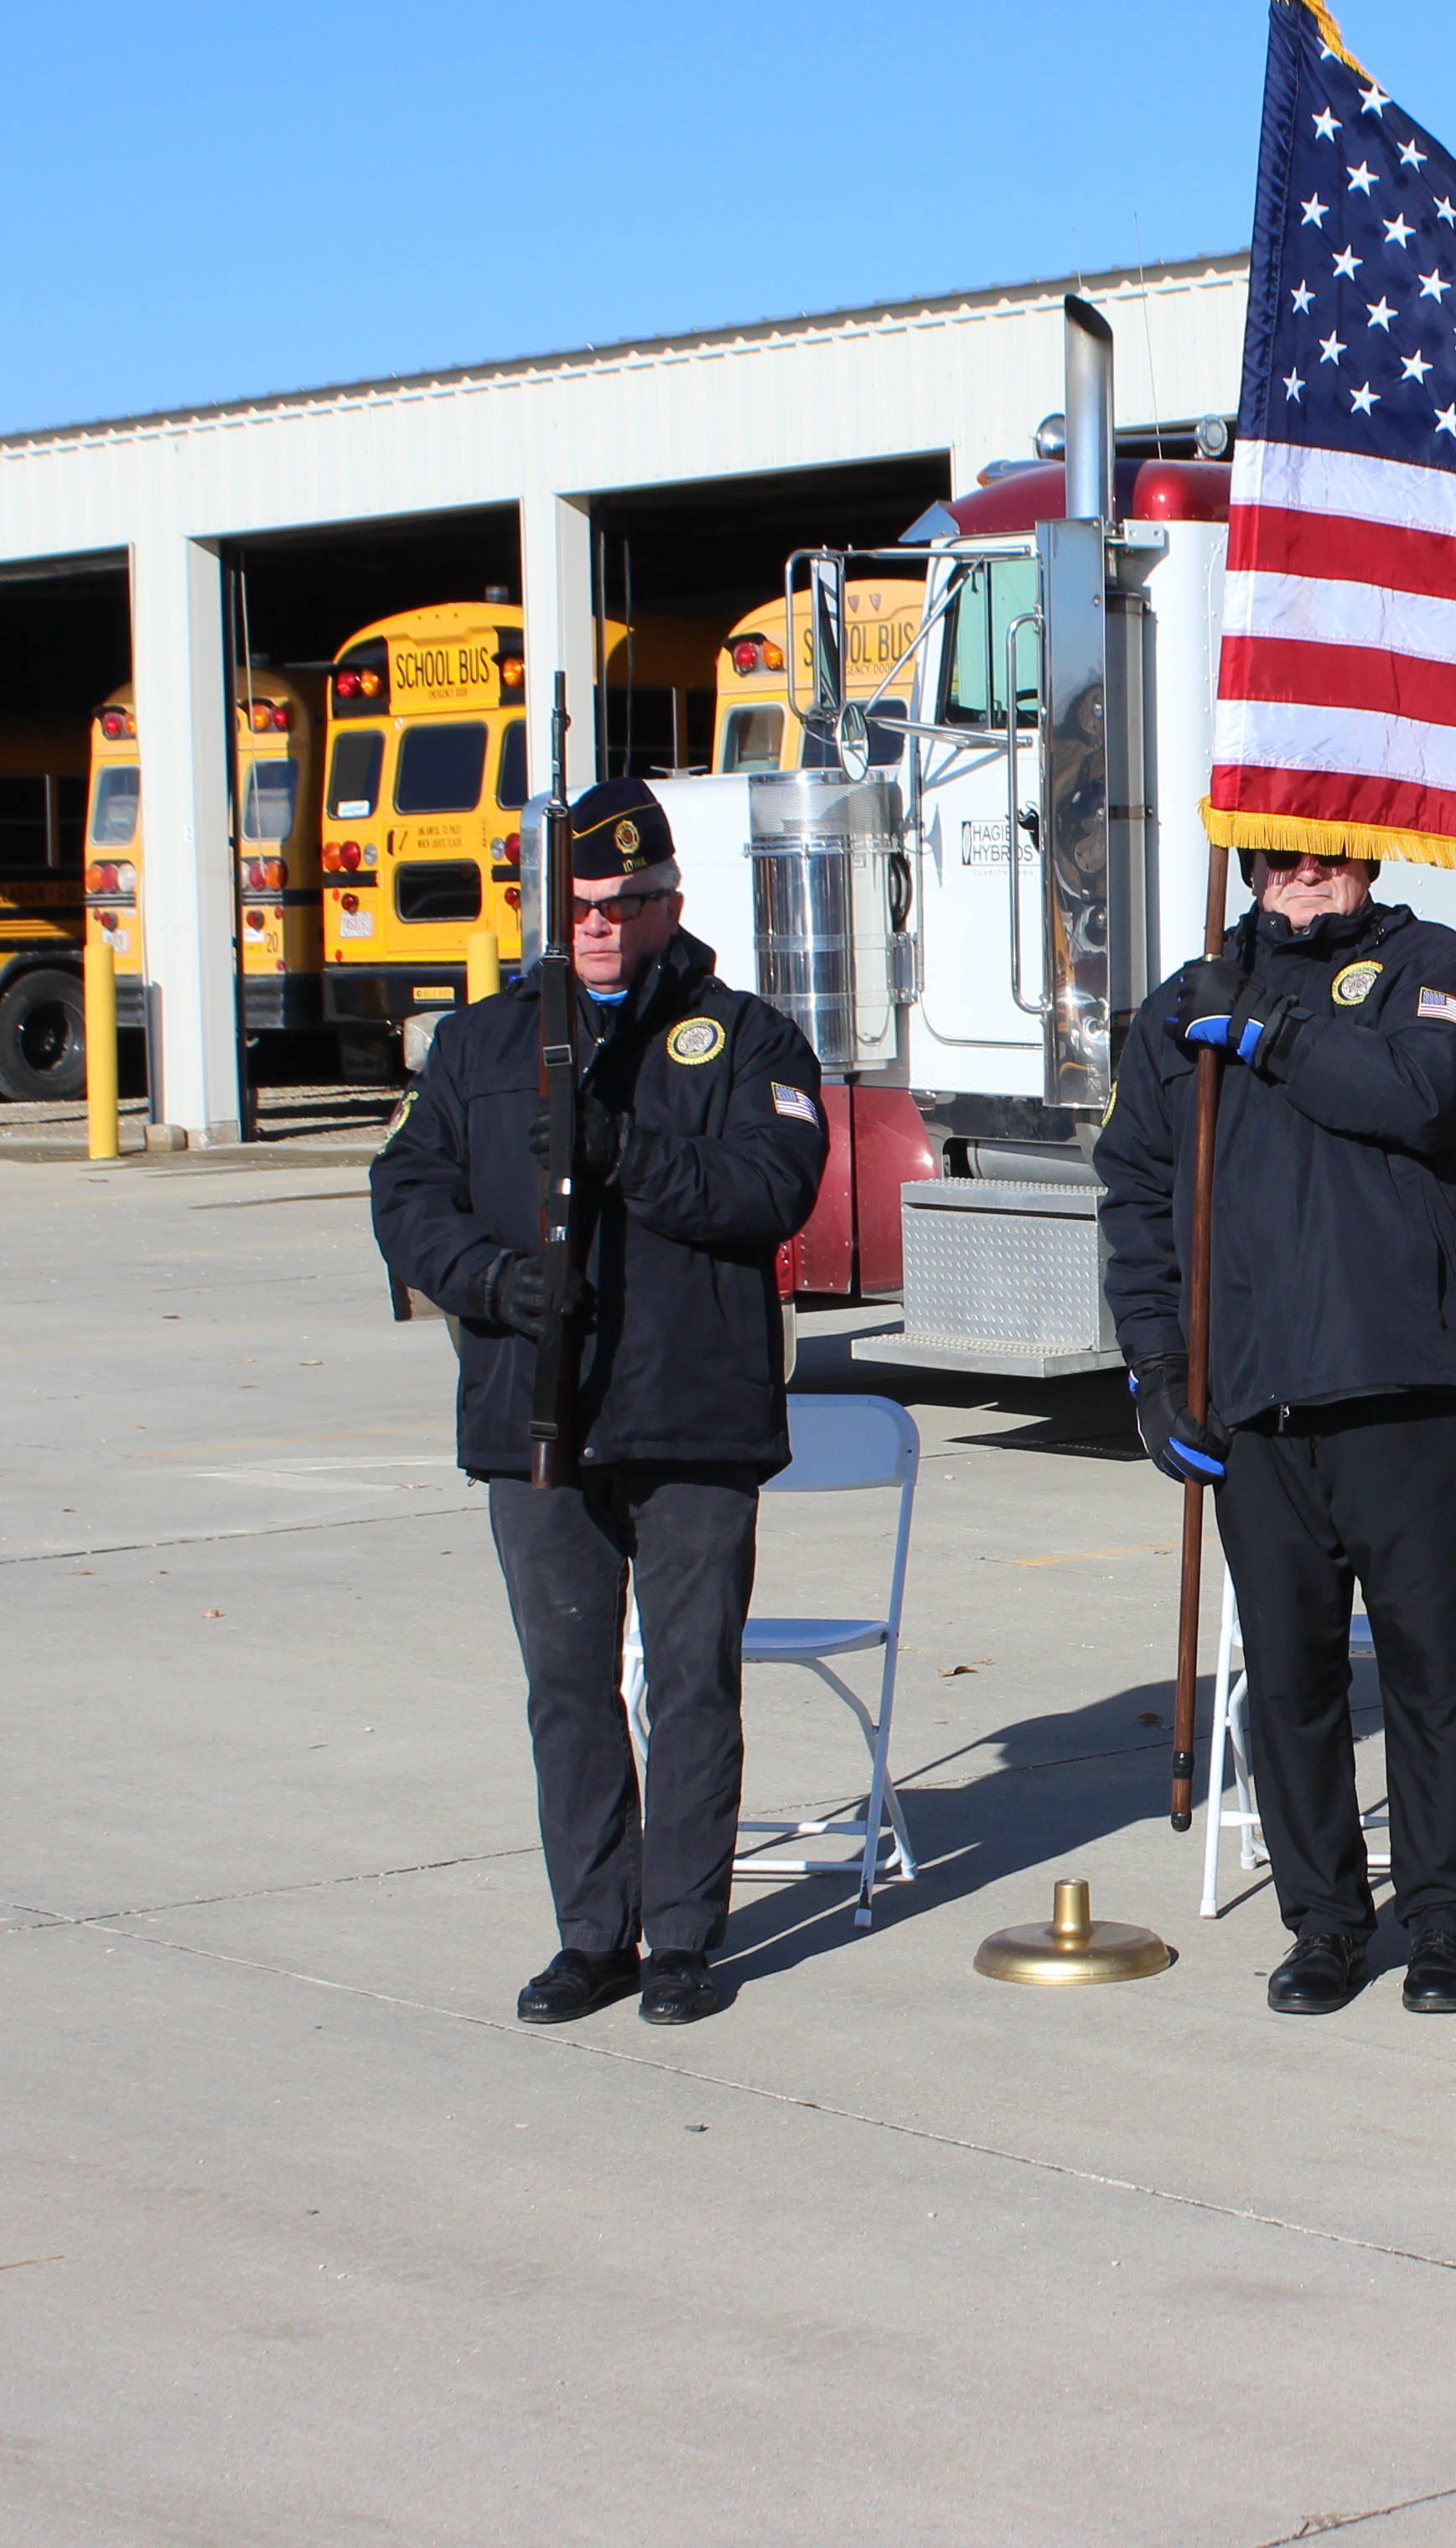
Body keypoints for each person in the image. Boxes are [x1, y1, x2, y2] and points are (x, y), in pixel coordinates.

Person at [370, 778, 829, 2028]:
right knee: (566, 1687)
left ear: (670, 903)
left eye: (626, 904)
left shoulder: (748, 1039)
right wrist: (496, 1284)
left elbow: (770, 1189)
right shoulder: (480, 1042)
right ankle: (593, 1934)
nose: (600, 927)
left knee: (688, 1682)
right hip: (538, 1412)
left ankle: (682, 1936)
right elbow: (406, 1195)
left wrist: (627, 1152)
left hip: (692, 1413)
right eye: (578, 906)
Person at [1094, 846, 1456, 2018]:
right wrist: (1158, 1369)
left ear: (1364, 861)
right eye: (1280, 860)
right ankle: (1325, 1920)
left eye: (1327, 858)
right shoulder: (1183, 1007)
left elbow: (1418, 1094)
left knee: (1433, 1679)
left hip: (1406, 1388)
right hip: (1256, 1401)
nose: (1303, 878)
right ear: (1251, 869)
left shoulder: (1436, 965)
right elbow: (1135, 1191)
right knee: (1291, 1685)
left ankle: (1449, 1916)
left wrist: (1267, 1028)